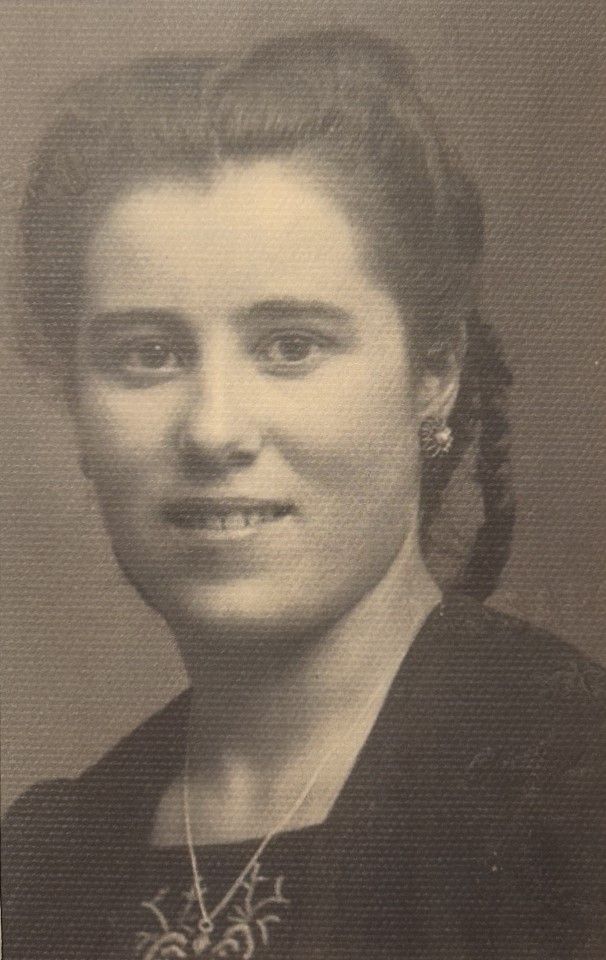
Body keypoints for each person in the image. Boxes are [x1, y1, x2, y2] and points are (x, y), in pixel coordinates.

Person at [2, 28, 604, 960]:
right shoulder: (48, 863)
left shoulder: (573, 789)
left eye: (291, 344)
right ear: (79, 410)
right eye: (147, 354)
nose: (213, 429)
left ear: (431, 374)